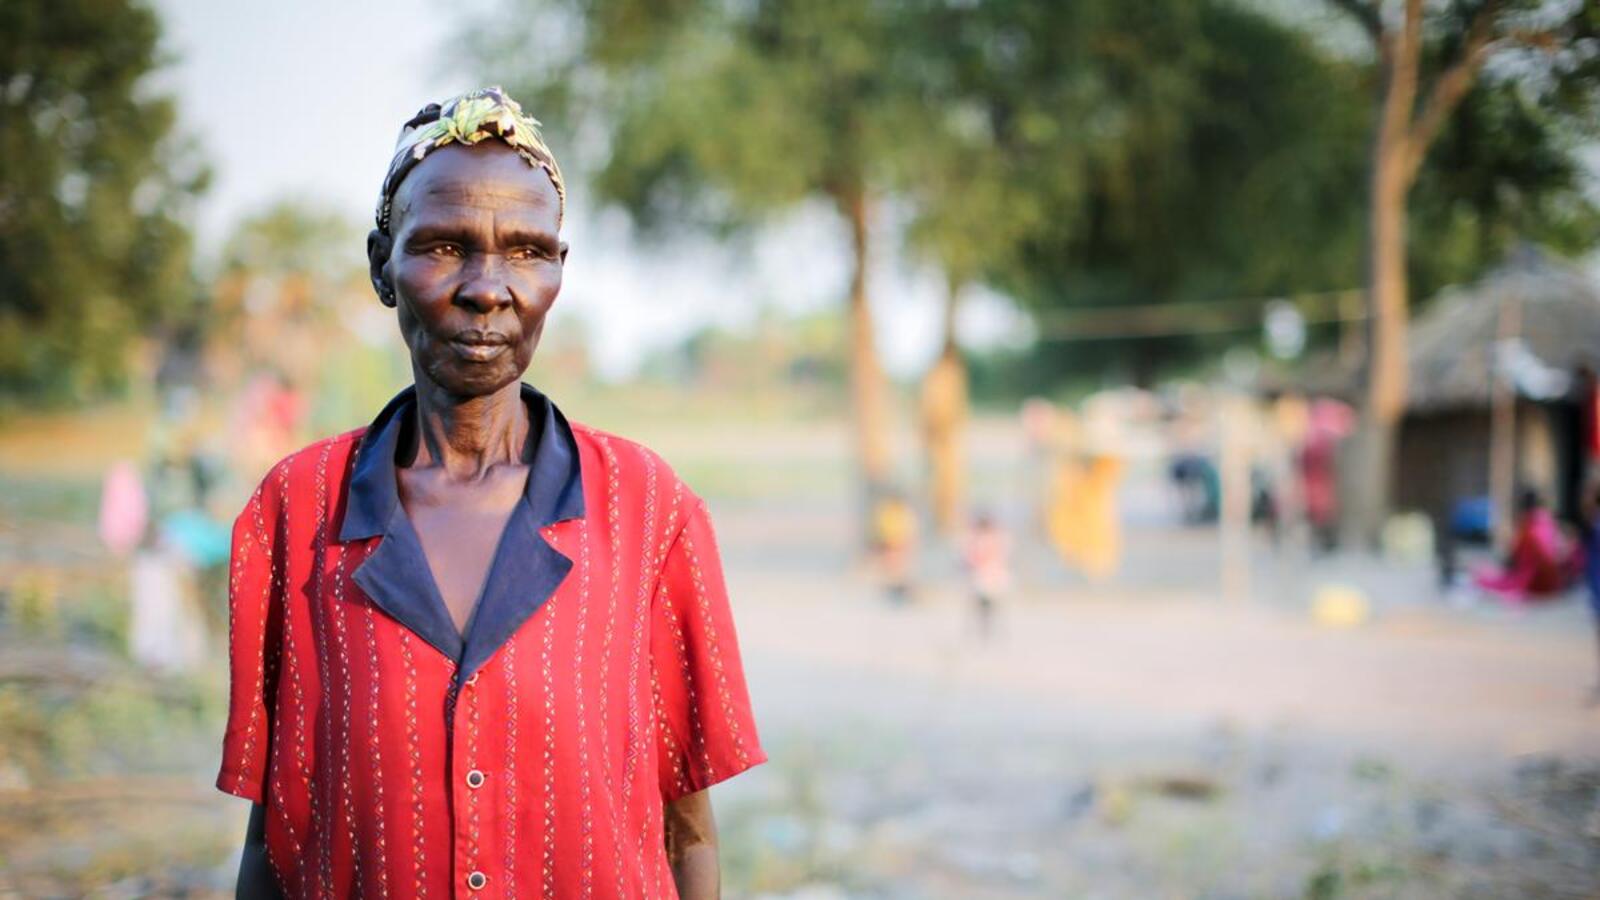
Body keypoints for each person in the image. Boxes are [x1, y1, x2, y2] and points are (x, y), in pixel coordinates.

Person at [220, 88, 765, 899]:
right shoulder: (298, 510)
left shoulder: (648, 508)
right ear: (381, 264)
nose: (486, 287)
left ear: (557, 272)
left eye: (526, 251)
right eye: (443, 247)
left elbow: (686, 833)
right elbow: (276, 842)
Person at [1474, 488, 1582, 603]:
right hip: (1553, 579)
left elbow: (1520, 554)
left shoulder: (1530, 526)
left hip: (1539, 580)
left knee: (1491, 579)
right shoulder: (1547, 521)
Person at [962, 509, 1012, 639]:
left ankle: (985, 632)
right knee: (988, 608)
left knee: (984, 608)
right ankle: (988, 632)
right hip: (991, 577)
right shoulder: (997, 537)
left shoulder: (980, 539)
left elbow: (972, 558)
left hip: (986, 577)